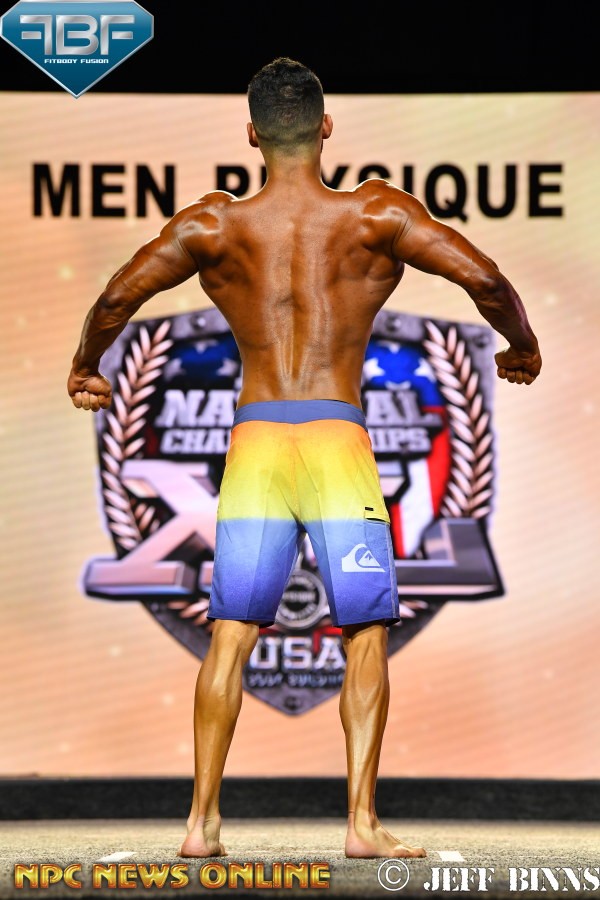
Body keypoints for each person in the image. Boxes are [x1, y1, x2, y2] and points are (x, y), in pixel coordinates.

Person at [67, 57, 542, 860]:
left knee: (230, 633)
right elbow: (486, 281)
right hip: (335, 445)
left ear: (252, 136)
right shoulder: (377, 215)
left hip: (257, 445)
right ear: (325, 128)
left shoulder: (212, 227)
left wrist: (87, 365)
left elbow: (117, 298)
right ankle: (360, 824)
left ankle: (201, 825)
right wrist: (520, 346)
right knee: (366, 632)